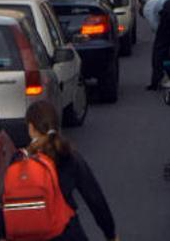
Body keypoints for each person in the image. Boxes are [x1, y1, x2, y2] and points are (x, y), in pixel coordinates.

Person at [24, 101, 117, 241]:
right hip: (66, 233)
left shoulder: (19, 162)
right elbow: (94, 198)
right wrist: (110, 234)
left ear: (31, 128)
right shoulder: (68, 157)